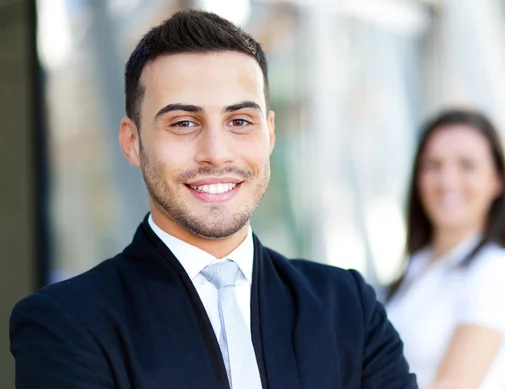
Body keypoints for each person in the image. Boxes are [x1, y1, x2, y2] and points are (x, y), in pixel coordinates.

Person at [10, 9, 417, 389]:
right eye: (184, 123)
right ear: (132, 142)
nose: (217, 153)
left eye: (240, 121)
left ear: (269, 135)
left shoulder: (347, 307)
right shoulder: (66, 324)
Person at [385, 109, 505, 389]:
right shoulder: (418, 266)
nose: (447, 181)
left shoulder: (497, 271)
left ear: (497, 180)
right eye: (434, 165)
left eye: (467, 165)